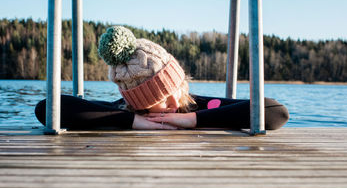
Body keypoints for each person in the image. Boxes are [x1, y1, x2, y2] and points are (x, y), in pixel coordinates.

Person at [35, 26, 289, 130]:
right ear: (138, 104)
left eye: (173, 89)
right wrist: (135, 122)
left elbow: (275, 112)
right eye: (159, 98)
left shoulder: (192, 104)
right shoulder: (124, 111)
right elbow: (47, 108)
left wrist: (192, 119)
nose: (171, 103)